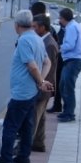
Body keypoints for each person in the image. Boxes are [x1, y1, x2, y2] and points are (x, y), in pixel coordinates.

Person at [0, 10, 52, 163]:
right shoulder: (37, 39)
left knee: (10, 126)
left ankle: (6, 159)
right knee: (26, 126)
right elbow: (47, 62)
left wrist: (40, 81)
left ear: (17, 25)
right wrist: (41, 82)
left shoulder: (24, 40)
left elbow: (31, 65)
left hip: (22, 92)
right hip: (31, 91)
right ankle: (23, 156)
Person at [30, 14, 59, 152]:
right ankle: (38, 143)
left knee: (33, 117)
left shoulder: (49, 44)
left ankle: (24, 147)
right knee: (40, 117)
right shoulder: (45, 41)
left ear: (42, 27)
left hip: (43, 86)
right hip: (44, 84)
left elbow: (49, 67)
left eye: (34, 26)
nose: (32, 29)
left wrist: (41, 83)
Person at [56, 8, 81, 122]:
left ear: (64, 18)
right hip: (74, 59)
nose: (59, 20)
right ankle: (66, 111)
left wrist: (59, 48)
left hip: (73, 60)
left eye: (60, 18)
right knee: (63, 85)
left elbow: (70, 44)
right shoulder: (77, 26)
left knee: (67, 87)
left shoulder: (71, 28)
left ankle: (69, 114)